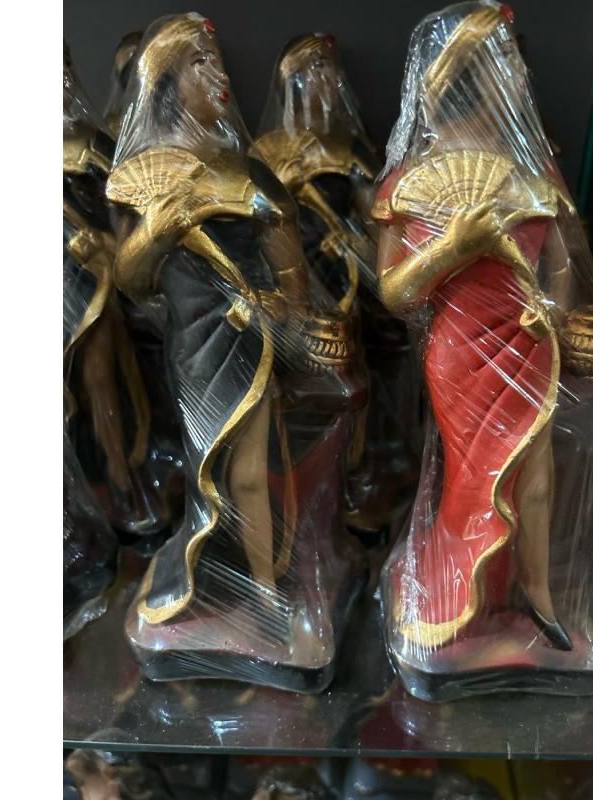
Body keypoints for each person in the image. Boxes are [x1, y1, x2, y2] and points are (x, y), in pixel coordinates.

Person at [108, 14, 366, 679]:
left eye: (217, 60)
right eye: (199, 63)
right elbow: (132, 279)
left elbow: (289, 272)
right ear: (167, 81)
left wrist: (281, 307)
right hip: (193, 346)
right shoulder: (143, 173)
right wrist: (159, 229)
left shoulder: (247, 174)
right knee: (212, 468)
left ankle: (267, 589)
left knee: (251, 470)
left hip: (249, 339)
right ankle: (231, 578)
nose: (218, 74)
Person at [373, 2, 593, 657]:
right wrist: (452, 248)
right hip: (460, 353)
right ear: (471, 71)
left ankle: (538, 599)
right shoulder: (413, 177)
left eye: (515, 54)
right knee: (471, 479)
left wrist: (556, 309)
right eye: (505, 56)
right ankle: (461, 597)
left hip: (529, 342)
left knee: (537, 476)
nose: (521, 70)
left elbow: (562, 265)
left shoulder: (535, 170)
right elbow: (395, 292)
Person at [255, 33, 421, 548]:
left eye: (331, 70)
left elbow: (378, 221)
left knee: (356, 374)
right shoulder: (267, 153)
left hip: (345, 283)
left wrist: (357, 239)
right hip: (292, 285)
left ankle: (353, 470)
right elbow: (256, 225)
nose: (329, 81)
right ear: (293, 83)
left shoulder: (351, 150)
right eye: (317, 71)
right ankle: (294, 481)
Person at [64, 41, 177, 549]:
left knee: (109, 376)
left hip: (102, 275)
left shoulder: (92, 140)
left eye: (65, 69)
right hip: (60, 279)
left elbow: (124, 210)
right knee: (81, 383)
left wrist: (106, 242)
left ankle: (125, 473)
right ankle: (98, 483)